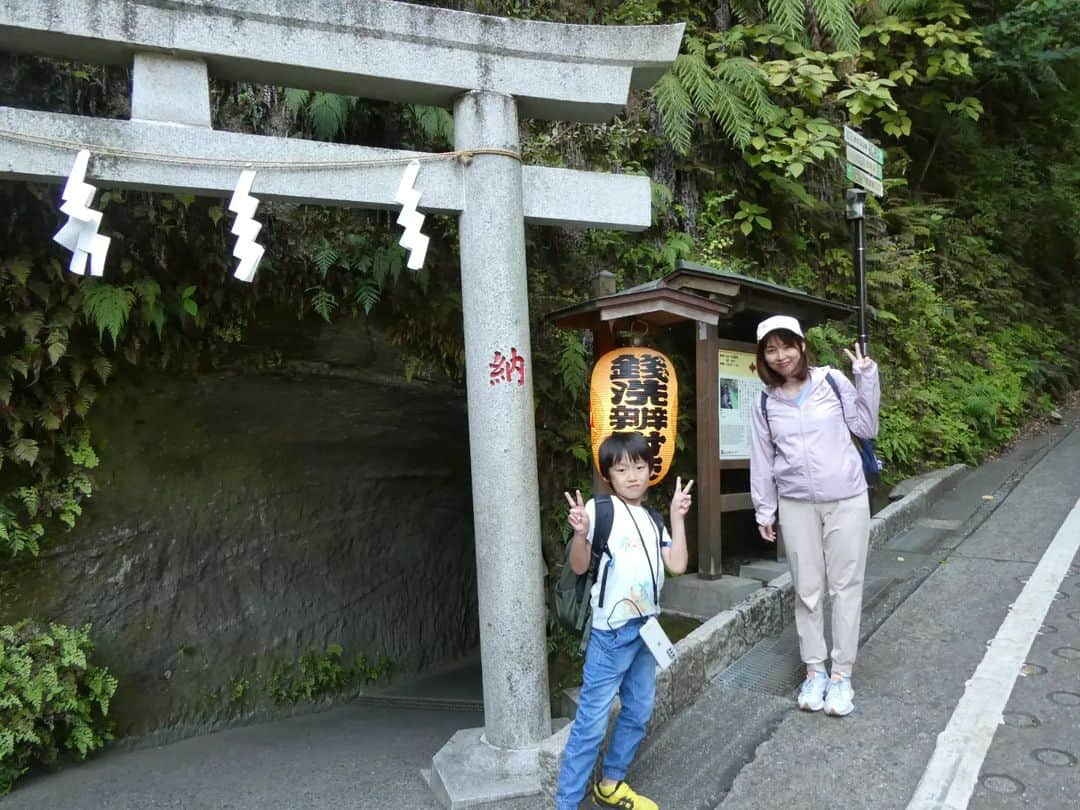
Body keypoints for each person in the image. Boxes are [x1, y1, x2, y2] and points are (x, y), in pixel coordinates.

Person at [748, 315, 880, 717]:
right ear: (763, 357)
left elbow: (866, 425)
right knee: (806, 589)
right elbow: (762, 458)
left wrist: (866, 378)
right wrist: (764, 509)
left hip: (846, 498)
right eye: (771, 350)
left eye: (787, 346)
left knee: (845, 587)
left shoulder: (833, 382)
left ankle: (841, 675)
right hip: (795, 503)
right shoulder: (765, 400)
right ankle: (814, 671)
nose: (780, 356)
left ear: (802, 345)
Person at [555, 431, 694, 810]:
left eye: (639, 466)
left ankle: (610, 784)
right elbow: (580, 566)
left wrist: (679, 519)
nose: (632, 475)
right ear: (608, 476)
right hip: (611, 634)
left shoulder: (653, 519)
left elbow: (677, 564)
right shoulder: (601, 511)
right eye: (621, 469)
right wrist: (581, 534)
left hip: (646, 631)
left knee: (639, 710)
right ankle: (566, 803)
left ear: (651, 470)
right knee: (591, 723)